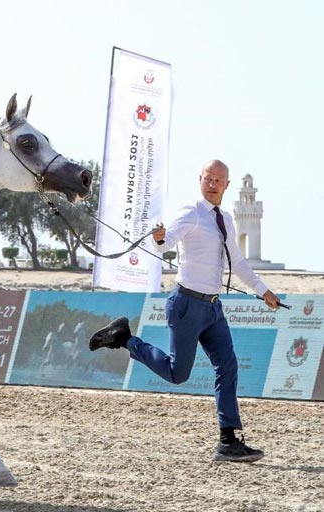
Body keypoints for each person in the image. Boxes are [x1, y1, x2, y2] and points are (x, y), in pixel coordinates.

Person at [89, 159, 281, 462]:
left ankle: (228, 440)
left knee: (228, 366)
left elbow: (238, 263)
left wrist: (264, 291)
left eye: (219, 180)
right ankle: (124, 339)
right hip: (186, 304)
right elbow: (166, 243)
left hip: (213, 308)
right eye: (209, 178)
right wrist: (159, 236)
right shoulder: (190, 212)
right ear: (200, 179)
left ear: (228, 185)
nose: (213, 184)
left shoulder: (226, 219)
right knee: (178, 374)